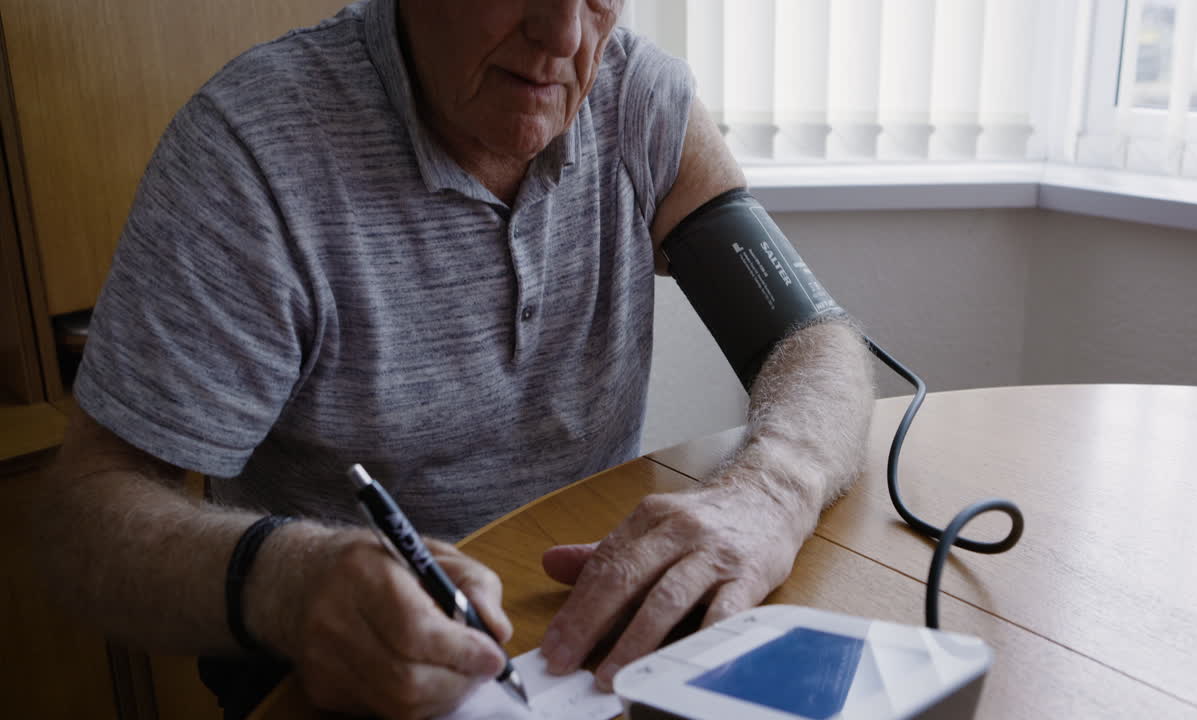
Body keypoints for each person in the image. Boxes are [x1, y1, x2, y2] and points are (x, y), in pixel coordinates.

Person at [36, 0, 875, 718]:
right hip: (336, 662)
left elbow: (812, 340)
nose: (562, 35)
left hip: (585, 633)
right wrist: (286, 584)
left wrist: (770, 492)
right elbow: (82, 520)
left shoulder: (637, 96)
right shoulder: (250, 152)